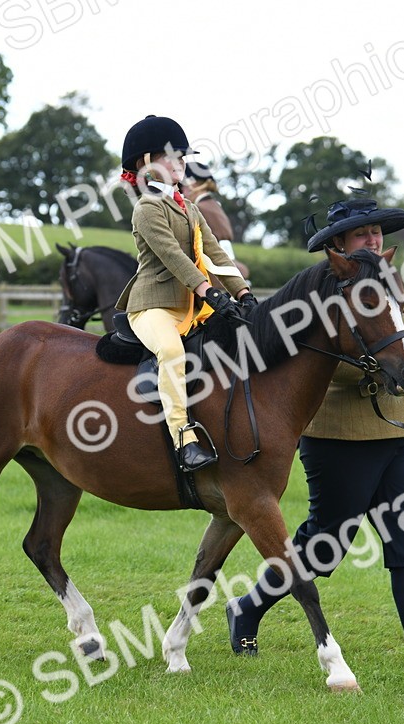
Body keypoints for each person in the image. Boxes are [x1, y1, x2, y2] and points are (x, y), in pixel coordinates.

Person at [225, 195, 404, 672]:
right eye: (363, 234)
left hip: (395, 434)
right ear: (339, 244)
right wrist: (386, 368)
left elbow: (394, 344)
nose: (374, 239)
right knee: (326, 545)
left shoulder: (389, 283)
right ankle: (248, 607)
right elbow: (315, 364)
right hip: (339, 436)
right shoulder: (321, 292)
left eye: (378, 232)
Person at [113, 115, 255, 472]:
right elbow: (174, 258)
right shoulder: (146, 208)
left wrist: (243, 292)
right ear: (147, 163)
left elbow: (215, 253)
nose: (182, 164)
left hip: (190, 307)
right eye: (174, 157)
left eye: (182, 158)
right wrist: (210, 293)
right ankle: (184, 440)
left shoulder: (188, 208)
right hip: (152, 308)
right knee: (172, 352)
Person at [182, 162, 250, 281]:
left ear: (192, 184)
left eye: (183, 186)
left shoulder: (200, 208)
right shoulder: (213, 205)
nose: (182, 191)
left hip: (211, 275)